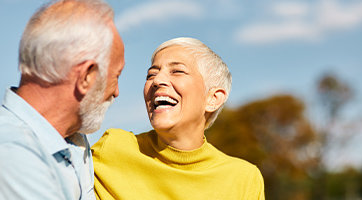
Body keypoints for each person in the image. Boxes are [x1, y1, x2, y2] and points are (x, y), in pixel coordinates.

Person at [93, 37, 264, 200]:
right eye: (151, 75)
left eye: (177, 71)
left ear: (213, 99)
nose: (157, 80)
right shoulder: (112, 147)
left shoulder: (244, 179)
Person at [0, 0, 125, 199]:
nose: (116, 92)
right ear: (86, 76)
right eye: (116, 76)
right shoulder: (12, 153)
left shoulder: (74, 139)